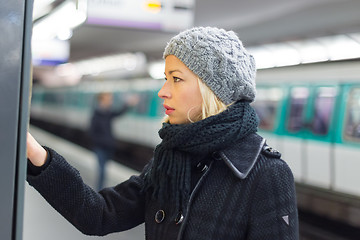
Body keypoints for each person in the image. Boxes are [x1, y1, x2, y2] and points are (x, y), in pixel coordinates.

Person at [26, 26, 299, 239]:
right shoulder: (169, 159)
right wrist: (39, 157)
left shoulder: (266, 174)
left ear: (212, 90)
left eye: (176, 79)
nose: (163, 91)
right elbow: (99, 214)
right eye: (165, 78)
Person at [89, 92, 137, 190]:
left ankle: (101, 189)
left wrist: (128, 104)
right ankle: (99, 189)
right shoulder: (97, 114)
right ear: (101, 100)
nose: (110, 102)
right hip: (101, 147)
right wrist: (100, 142)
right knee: (102, 170)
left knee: (104, 169)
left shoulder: (107, 113)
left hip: (109, 146)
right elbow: (92, 132)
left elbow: (119, 113)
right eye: (108, 99)